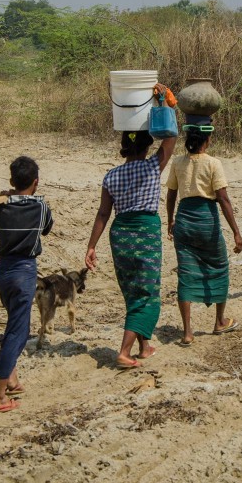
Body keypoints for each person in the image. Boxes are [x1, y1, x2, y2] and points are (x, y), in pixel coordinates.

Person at [85, 84, 177, 369]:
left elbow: (102, 214)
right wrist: (167, 106)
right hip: (145, 232)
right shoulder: (152, 167)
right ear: (147, 144)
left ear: (124, 145)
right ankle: (124, 352)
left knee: (132, 290)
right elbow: (172, 139)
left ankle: (144, 345)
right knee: (148, 292)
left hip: (119, 234)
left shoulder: (111, 176)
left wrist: (91, 246)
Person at [165, 123, 242, 346]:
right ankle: (219, 321)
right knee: (219, 267)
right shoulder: (213, 164)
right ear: (206, 142)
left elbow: (171, 194)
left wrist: (170, 219)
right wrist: (236, 232)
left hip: (184, 221)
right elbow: (223, 199)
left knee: (186, 273)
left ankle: (188, 332)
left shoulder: (178, 162)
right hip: (206, 222)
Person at [0, 156, 54, 412]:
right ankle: (0, 394)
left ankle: (12, 378)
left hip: (3, 270)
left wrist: (7, 197)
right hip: (24, 270)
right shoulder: (40, 208)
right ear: (36, 182)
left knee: (12, 322)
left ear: (11, 181)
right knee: (20, 330)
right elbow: (47, 229)